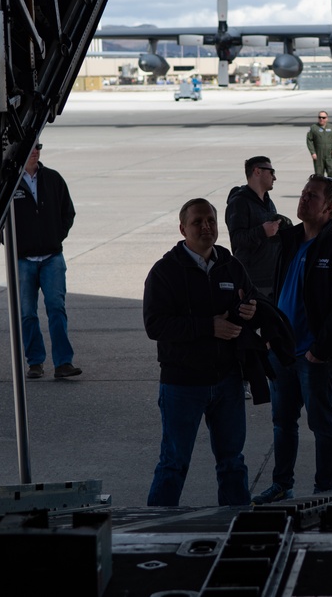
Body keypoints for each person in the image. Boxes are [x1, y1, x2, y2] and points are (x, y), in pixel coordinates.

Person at [143, 198, 259, 506]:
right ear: (182, 229)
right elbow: (155, 325)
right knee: (173, 463)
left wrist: (251, 311)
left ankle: (238, 528)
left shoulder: (231, 265)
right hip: (182, 383)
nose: (206, 227)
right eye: (198, 222)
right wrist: (207, 327)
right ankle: (155, 533)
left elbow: (251, 302)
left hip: (228, 382)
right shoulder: (165, 271)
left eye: (210, 220)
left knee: (233, 463)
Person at [252, 176, 332, 504]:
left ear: (328, 208)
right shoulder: (288, 242)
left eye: (311, 196)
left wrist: (319, 350)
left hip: (314, 357)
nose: (302, 199)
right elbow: (278, 292)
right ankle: (282, 484)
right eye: (302, 193)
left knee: (321, 423)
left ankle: (324, 489)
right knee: (282, 424)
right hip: (282, 352)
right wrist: (270, 337)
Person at [12, 142, 82, 380]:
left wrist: (55, 236)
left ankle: (63, 363)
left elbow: (68, 212)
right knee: (27, 313)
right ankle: (35, 362)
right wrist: (16, 245)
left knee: (56, 309)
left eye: (38, 146)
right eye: (30, 147)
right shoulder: (10, 184)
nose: (35, 150)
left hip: (52, 258)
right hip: (23, 261)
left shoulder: (53, 178)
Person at [225, 156, 282, 298]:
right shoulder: (239, 202)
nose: (274, 177)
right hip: (252, 279)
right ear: (257, 171)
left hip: (271, 277)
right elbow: (237, 239)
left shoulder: (268, 201)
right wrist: (262, 231)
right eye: (271, 172)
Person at [306, 111, 332, 179]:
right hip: (319, 155)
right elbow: (309, 140)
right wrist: (313, 153)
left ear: (327, 118)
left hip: (330, 155)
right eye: (320, 117)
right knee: (319, 175)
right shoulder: (314, 128)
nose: (321, 119)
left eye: (323, 117)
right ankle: (320, 188)